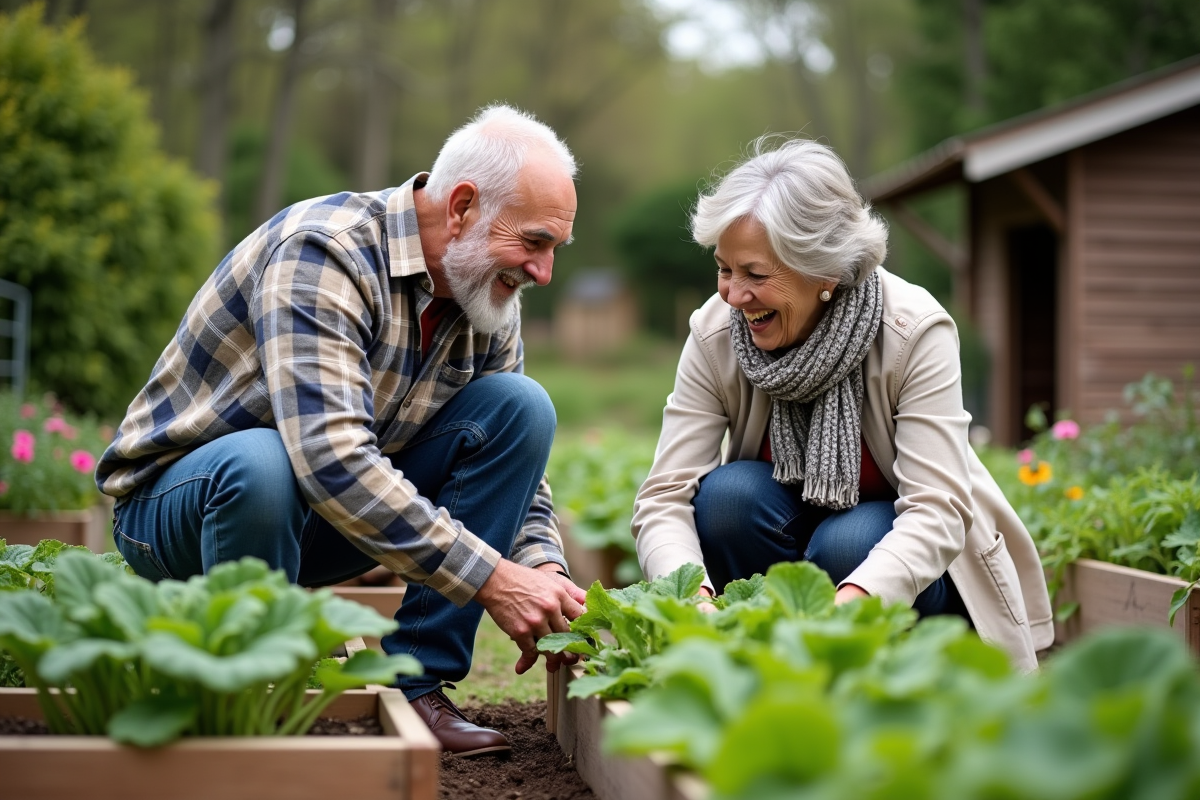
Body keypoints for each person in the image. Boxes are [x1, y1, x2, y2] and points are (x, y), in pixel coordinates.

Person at [96, 105, 587, 755]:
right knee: (262, 464)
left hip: (315, 519)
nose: (543, 271)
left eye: (554, 248)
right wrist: (494, 579)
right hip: (179, 512)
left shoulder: (484, 292)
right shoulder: (325, 250)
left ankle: (418, 681)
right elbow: (331, 457)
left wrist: (542, 574)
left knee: (521, 406)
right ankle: (247, 699)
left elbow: (514, 467)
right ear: (463, 206)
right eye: (534, 242)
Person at [631, 137, 1053, 671]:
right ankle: (753, 664)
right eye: (724, 268)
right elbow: (663, 498)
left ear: (825, 272)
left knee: (848, 542)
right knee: (728, 500)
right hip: (784, 543)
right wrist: (695, 602)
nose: (733, 296)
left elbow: (938, 510)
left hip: (906, 576)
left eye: (756, 275)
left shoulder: (913, 331)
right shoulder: (716, 333)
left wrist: (844, 609)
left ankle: (880, 684)